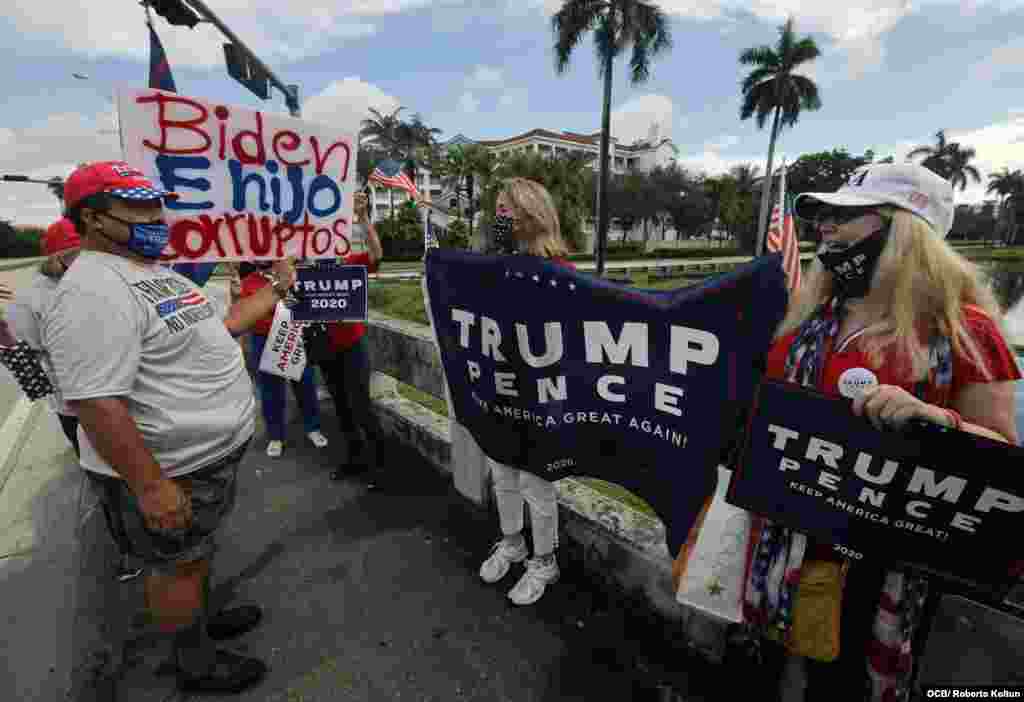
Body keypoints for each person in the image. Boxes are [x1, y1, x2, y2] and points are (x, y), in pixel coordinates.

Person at [744, 162, 1021, 702]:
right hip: (784, 544)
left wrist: (938, 423)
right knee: (767, 673)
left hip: (880, 564)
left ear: (905, 230)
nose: (825, 225)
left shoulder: (965, 333)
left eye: (847, 214)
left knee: (841, 686)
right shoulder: (810, 316)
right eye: (825, 213)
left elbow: (1003, 459)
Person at [43, 161, 298, 694]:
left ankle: (201, 618)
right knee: (176, 566)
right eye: (137, 207)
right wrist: (151, 486)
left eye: (157, 204)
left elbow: (222, 328)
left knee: (194, 555)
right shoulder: (93, 291)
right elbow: (95, 401)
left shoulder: (150, 271)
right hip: (168, 470)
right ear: (92, 218)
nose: (156, 217)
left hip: (201, 463)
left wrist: (278, 284)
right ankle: (194, 661)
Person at [3, 218, 144, 581]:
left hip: (127, 393)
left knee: (139, 468)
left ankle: (154, 531)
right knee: (108, 481)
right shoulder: (31, 300)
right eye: (75, 255)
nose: (85, 262)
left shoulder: (106, 279)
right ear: (54, 257)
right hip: (77, 406)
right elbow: (27, 363)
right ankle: (128, 550)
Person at [477, 178, 575, 606]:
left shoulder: (561, 270)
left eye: (506, 209)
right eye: (497, 209)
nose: (498, 217)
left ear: (529, 214)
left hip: (542, 396)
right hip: (501, 389)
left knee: (536, 482)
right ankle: (513, 542)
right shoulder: (496, 264)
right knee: (503, 474)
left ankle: (544, 560)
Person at [313, 191, 385, 479]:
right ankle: (354, 460)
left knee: (361, 407)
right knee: (342, 408)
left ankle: (380, 466)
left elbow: (376, 256)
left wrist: (363, 218)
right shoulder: (304, 271)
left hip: (352, 346)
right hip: (325, 347)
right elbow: (292, 302)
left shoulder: (349, 264)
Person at [237, 260, 329, 458]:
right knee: (270, 389)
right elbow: (244, 315)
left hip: (293, 334)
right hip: (263, 339)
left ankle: (313, 427)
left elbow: (304, 303)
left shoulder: (292, 275)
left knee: (305, 384)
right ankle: (275, 436)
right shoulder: (247, 282)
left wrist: (286, 291)